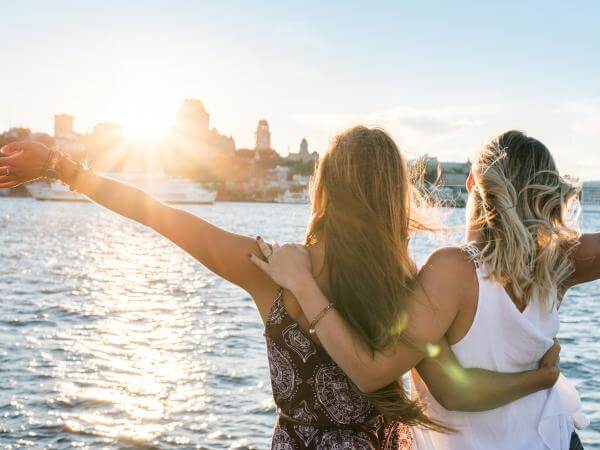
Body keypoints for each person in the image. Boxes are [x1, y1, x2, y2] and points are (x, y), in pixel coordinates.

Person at [0, 127, 560, 449]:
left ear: (324, 189)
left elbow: (161, 215)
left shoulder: (271, 268)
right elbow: (454, 388)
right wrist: (541, 373)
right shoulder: (417, 287)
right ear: (395, 196)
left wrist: (62, 167)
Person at [250, 130, 597, 450]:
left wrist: (302, 283)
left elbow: (380, 375)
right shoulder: (558, 260)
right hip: (556, 440)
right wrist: (541, 377)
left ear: (473, 181)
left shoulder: (451, 270)